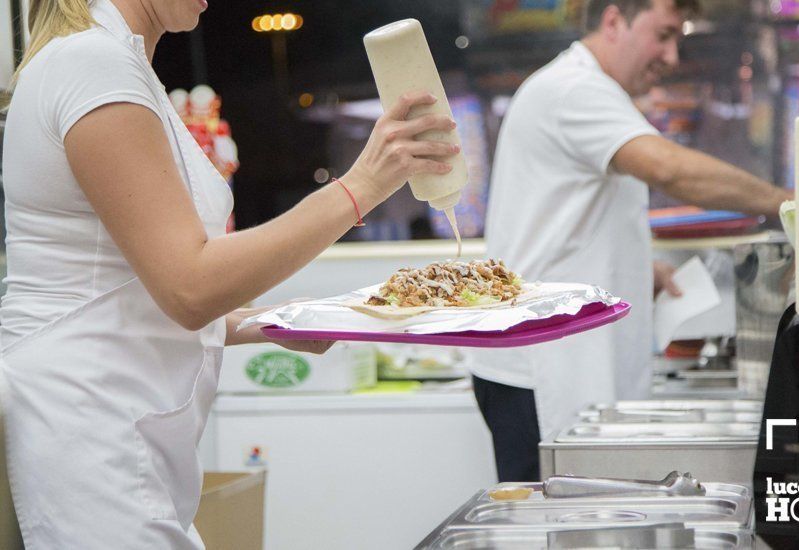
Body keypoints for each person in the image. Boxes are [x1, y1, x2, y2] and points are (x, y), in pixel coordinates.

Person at [0, 0, 460, 547]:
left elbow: (127, 286)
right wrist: (362, 186)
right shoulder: (91, 65)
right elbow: (189, 287)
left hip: (119, 424)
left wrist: (269, 322)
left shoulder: (119, 65)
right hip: (92, 424)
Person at [467, 0, 792, 482]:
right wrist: (790, 202)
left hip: (550, 358)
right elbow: (671, 171)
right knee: (555, 523)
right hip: (542, 369)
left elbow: (572, 221)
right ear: (614, 20)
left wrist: (643, 271)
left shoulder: (587, 89)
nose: (673, 56)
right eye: (663, 34)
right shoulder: (575, 89)